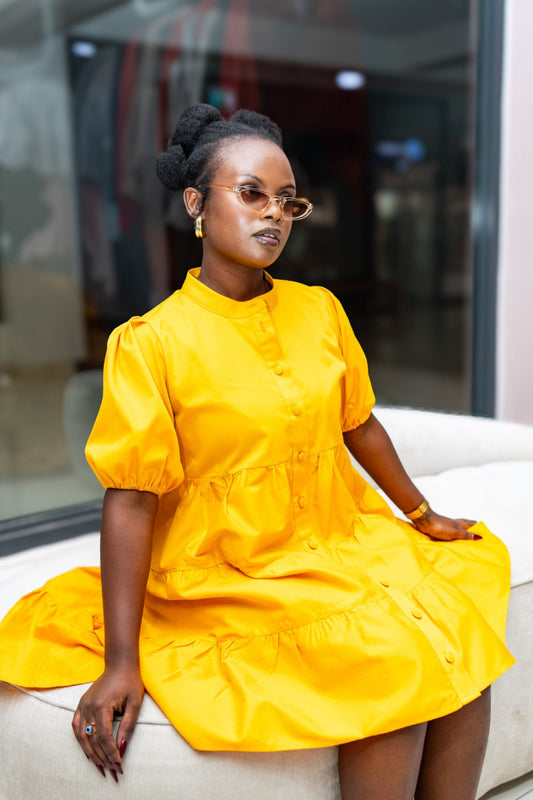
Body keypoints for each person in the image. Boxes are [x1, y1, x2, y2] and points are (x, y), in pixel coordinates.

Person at [0, 104, 514, 800]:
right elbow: (129, 498)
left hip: (336, 535)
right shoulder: (150, 342)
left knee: (463, 656)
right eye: (249, 193)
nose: (272, 214)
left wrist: (421, 514)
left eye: (286, 200)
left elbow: (358, 426)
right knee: (393, 673)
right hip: (226, 564)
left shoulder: (318, 309)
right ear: (195, 205)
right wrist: (122, 662)